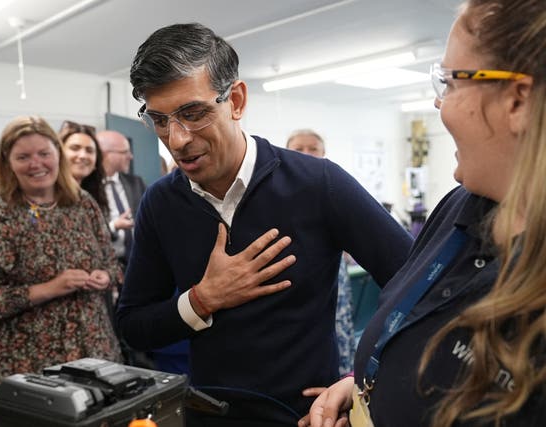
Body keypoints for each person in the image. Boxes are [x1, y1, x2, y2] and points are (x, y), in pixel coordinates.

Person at [116, 23, 412, 426]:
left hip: (308, 416)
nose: (177, 138)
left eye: (192, 113)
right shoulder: (161, 202)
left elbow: (418, 288)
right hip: (209, 415)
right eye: (160, 119)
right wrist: (202, 300)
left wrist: (358, 380)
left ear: (235, 100)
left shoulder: (318, 183)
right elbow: (134, 326)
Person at [303, 1, 546, 426]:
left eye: (450, 83)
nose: (439, 105)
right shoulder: (459, 206)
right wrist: (365, 391)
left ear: (518, 101)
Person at [0, 116, 121, 390]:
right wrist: (49, 288)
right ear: (8, 163)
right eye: (23, 156)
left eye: (44, 153)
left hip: (96, 352)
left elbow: (112, 264)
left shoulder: (82, 203)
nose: (36, 164)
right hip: (33, 364)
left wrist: (105, 276)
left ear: (57, 155)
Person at [286, 129, 355, 375]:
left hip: (335, 281)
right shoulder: (280, 195)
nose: (306, 154)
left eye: (312, 149)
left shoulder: (336, 189)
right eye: (298, 149)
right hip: (297, 287)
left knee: (339, 333)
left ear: (324, 154)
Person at [97, 130, 146, 268]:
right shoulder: (87, 189)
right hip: (106, 267)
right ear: (105, 154)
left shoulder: (136, 183)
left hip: (139, 263)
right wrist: (114, 226)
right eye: (125, 152)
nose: (131, 157)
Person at [59, 120, 109, 218]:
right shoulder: (45, 199)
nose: (83, 156)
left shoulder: (93, 200)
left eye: (89, 151)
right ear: (58, 154)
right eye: (75, 148)